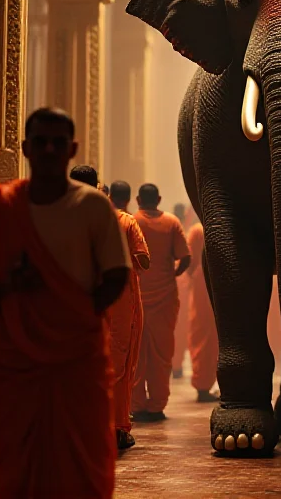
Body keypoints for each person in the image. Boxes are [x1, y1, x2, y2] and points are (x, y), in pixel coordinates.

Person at [0, 108, 131, 499]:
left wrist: (78, 312)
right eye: (40, 141)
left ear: (71, 149)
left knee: (82, 459)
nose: (49, 149)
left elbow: (116, 273)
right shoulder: (2, 207)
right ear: (25, 148)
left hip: (78, 357)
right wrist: (11, 290)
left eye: (58, 142)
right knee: (18, 463)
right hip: (16, 359)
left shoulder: (93, 208)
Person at [132, 183, 191, 421]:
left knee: (135, 353)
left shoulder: (132, 221)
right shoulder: (172, 223)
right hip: (165, 297)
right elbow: (185, 258)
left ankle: (136, 405)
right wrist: (172, 274)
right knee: (162, 353)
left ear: (138, 199)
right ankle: (157, 405)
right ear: (158, 198)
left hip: (136, 297)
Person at [109, 180, 150, 450]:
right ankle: (118, 427)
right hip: (120, 302)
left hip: (77, 301)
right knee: (121, 365)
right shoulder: (126, 221)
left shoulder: (64, 218)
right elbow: (143, 260)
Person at [186, 222, 219, 402]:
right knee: (213, 334)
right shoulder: (218, 226)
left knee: (200, 332)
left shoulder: (196, 230)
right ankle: (206, 383)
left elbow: (188, 260)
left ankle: (202, 383)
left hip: (200, 282)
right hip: (217, 280)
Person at [172, 202, 192, 379]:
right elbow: (188, 259)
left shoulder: (168, 225)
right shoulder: (182, 230)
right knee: (179, 326)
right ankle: (176, 366)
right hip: (181, 281)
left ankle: (173, 365)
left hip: (162, 280)